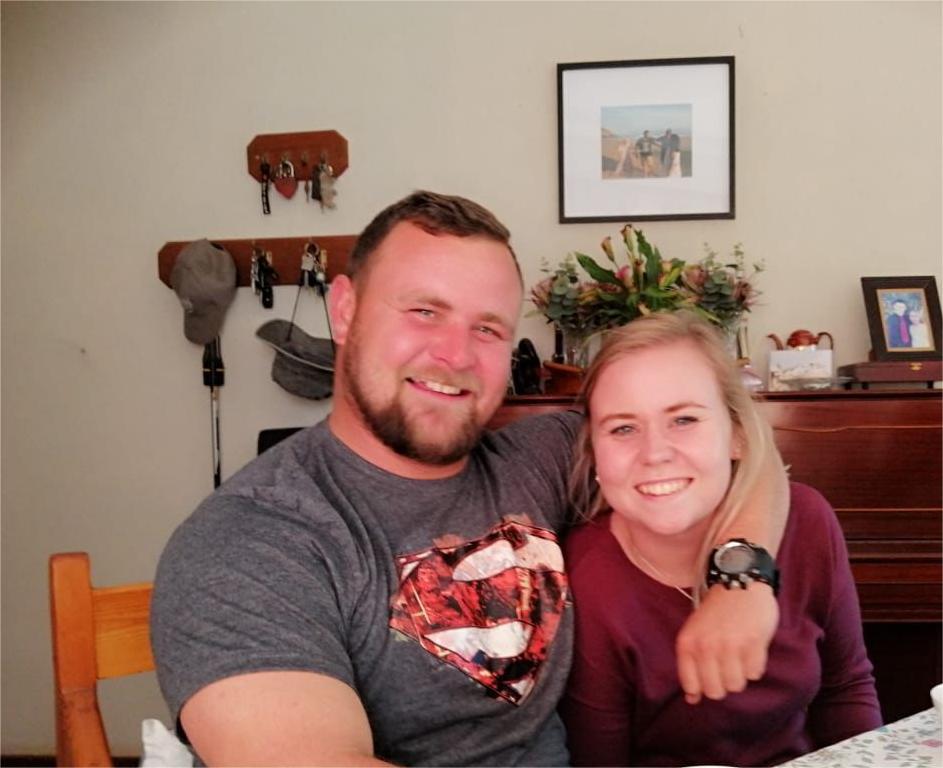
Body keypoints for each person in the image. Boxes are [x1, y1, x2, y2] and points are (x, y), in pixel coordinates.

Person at [151, 191, 787, 766]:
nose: (455, 355)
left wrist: (742, 576)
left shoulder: (539, 458)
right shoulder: (248, 540)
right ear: (344, 310)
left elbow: (743, 456)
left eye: (487, 328)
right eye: (424, 311)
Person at [560, 311, 881, 767]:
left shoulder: (808, 521)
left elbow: (845, 689)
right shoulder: (587, 571)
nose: (654, 453)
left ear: (737, 436)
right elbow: (599, 759)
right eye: (623, 428)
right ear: (595, 454)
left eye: (684, 419)